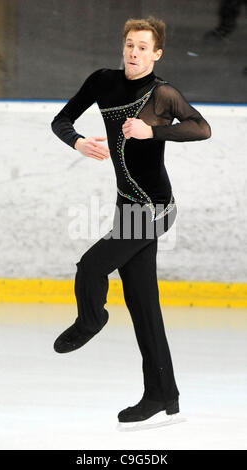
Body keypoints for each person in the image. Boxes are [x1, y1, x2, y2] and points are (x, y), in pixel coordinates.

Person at [50, 15, 211, 429]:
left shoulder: (163, 94)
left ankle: (92, 319)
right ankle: (163, 395)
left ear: (157, 53)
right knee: (143, 305)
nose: (134, 52)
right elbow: (61, 120)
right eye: (129, 44)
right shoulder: (103, 81)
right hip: (127, 205)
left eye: (143, 46)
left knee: (91, 266)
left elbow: (202, 128)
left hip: (155, 209)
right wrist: (79, 141)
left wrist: (151, 133)